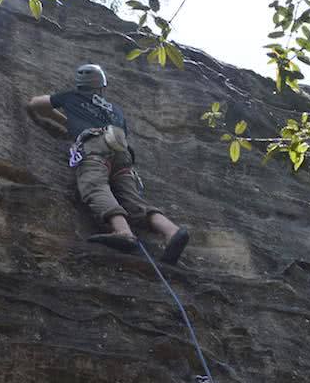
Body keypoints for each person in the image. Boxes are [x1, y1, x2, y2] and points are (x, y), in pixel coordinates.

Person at [26, 63, 190, 263]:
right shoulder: (116, 110)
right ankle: (171, 231)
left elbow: (35, 103)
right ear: (102, 87)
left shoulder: (72, 97)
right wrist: (71, 123)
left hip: (95, 148)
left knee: (94, 186)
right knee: (132, 199)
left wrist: (63, 119)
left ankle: (123, 232)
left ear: (80, 84)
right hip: (122, 152)